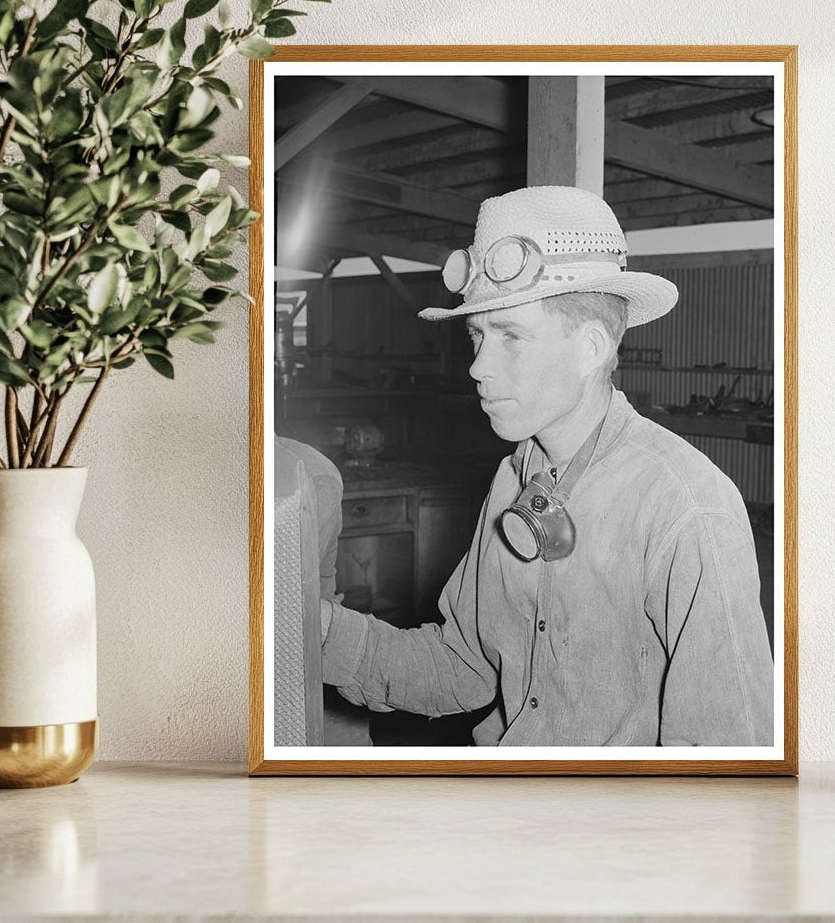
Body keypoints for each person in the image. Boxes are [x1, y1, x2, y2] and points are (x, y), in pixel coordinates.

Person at [322, 185, 774, 747]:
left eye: (511, 336)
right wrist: (316, 628)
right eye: (478, 335)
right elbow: (461, 667)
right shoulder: (513, 478)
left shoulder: (685, 507)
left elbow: (725, 756)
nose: (478, 367)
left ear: (591, 349)